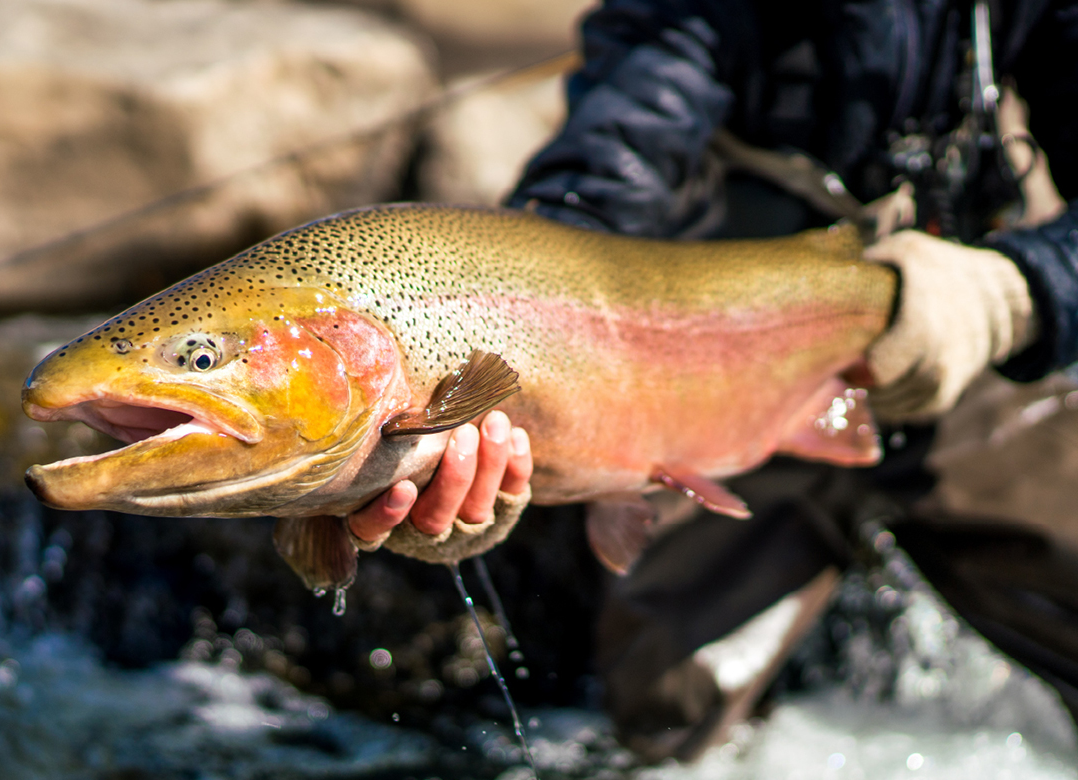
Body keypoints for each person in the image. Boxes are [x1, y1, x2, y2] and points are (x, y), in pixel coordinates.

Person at [350, 0, 1078, 759]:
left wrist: (1014, 295)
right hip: (705, 365)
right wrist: (518, 375)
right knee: (670, 718)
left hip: (965, 337)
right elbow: (606, 171)